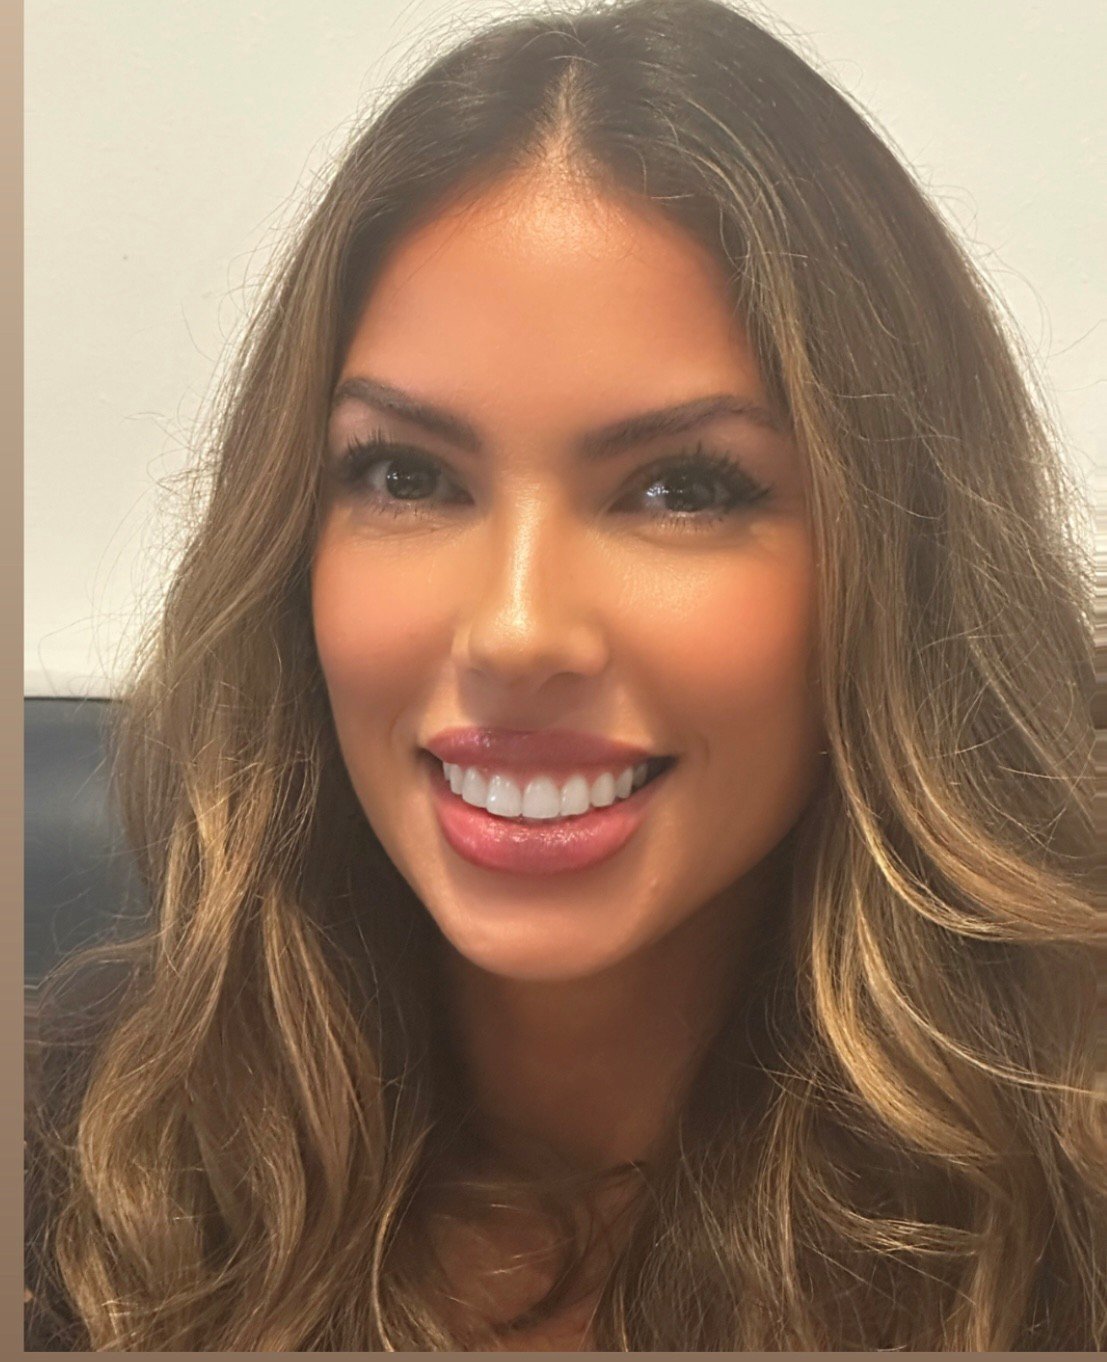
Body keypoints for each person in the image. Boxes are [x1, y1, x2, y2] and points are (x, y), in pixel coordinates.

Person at [24, 0, 1105, 1350]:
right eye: (407, 475)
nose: (517, 628)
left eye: (682, 488)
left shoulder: (1067, 1195)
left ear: (900, 566)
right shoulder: (74, 1164)